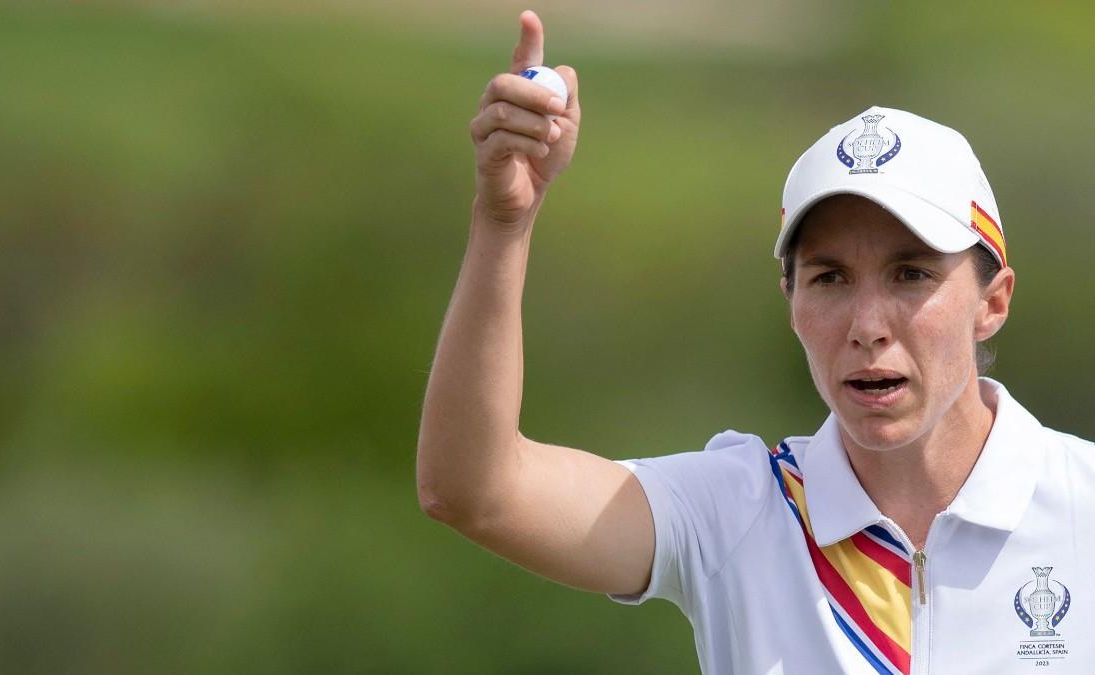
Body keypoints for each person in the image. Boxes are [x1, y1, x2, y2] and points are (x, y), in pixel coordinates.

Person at [415, 10, 1095, 674]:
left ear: (993, 301)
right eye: (829, 278)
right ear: (792, 303)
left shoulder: (1083, 505)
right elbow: (475, 490)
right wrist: (504, 224)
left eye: (910, 273)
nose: (867, 324)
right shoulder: (735, 512)